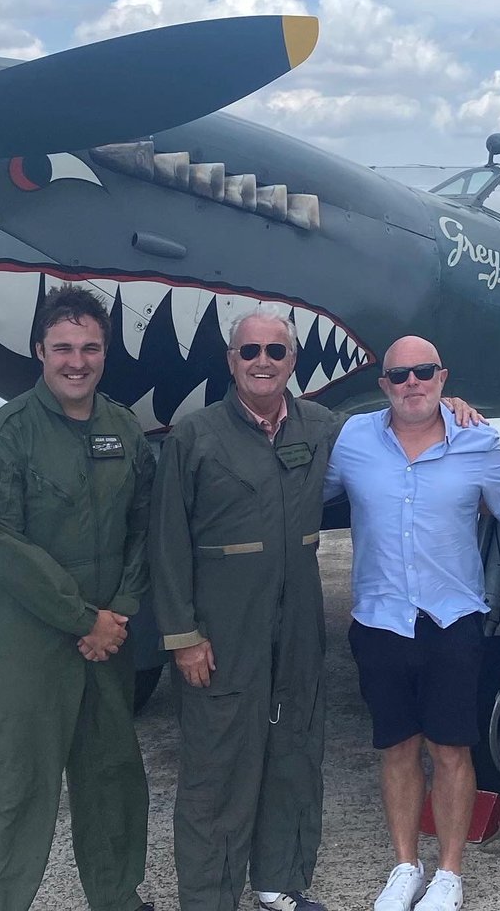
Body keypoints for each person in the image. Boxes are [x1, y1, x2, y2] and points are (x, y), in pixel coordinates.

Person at [323, 336, 500, 911]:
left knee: (451, 751)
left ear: (442, 377)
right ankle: (405, 864)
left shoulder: (478, 440)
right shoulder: (352, 441)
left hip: (452, 619)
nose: (412, 383)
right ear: (383, 384)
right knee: (396, 748)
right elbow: (299, 493)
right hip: (379, 619)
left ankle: (449, 872)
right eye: (399, 375)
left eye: (423, 373)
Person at [0, 284, 154, 911]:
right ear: (40, 350)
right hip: (35, 641)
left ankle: (117, 897)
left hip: (109, 640)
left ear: (105, 354)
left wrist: (119, 612)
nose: (78, 361)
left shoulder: (124, 429)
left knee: (112, 779)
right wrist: (84, 618)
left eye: (91, 348)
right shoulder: (4, 435)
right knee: (19, 785)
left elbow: (142, 531)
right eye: (64, 348)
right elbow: (4, 543)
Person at [150, 303, 339, 911]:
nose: (263, 362)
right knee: (217, 771)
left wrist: (453, 407)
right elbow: (167, 541)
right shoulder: (194, 436)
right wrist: (183, 634)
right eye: (250, 351)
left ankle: (279, 882)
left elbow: (403, 424)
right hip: (222, 632)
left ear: (292, 361)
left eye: (275, 351)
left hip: (299, 629)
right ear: (232, 361)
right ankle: (209, 898)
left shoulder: (320, 426)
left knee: (293, 757)